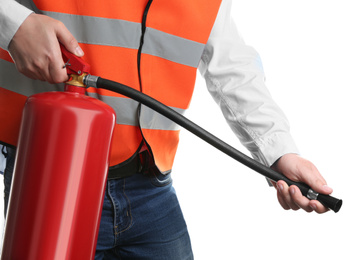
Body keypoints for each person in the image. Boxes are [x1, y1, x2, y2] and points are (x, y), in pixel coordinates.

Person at [0, 0, 334, 259]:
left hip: (150, 185)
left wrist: (279, 152)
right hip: (53, 178)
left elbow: (230, 63)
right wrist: (13, 25)